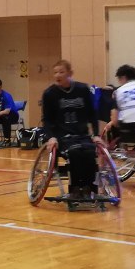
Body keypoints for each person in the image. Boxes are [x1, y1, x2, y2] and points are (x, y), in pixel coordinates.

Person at [40, 59, 101, 203]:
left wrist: (96, 135)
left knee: (89, 152)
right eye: (55, 72)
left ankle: (89, 188)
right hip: (62, 136)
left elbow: (92, 114)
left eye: (61, 72)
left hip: (82, 135)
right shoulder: (49, 94)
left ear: (70, 73)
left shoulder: (83, 89)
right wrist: (51, 137)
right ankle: (75, 189)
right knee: (75, 153)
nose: (57, 75)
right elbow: (46, 120)